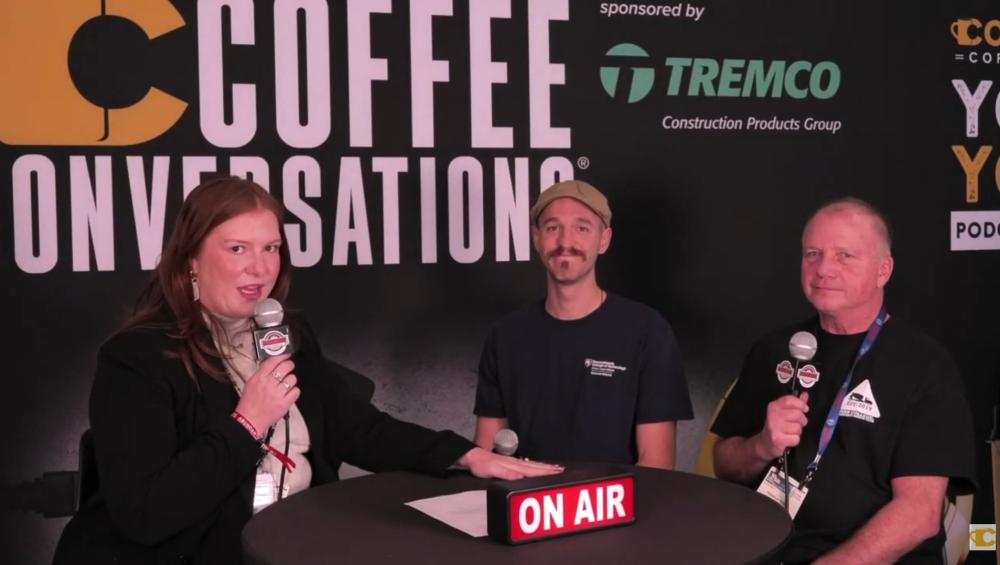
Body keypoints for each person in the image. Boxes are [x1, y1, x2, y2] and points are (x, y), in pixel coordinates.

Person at [53, 176, 560, 565]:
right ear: (190, 260)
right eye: (238, 249)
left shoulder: (286, 333)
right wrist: (248, 423)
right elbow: (148, 513)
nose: (261, 267)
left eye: (271, 247)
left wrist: (466, 455)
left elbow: (358, 428)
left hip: (293, 540)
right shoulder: (137, 359)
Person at [711, 198, 976, 564]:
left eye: (845, 256)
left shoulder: (925, 365)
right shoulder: (774, 350)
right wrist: (762, 446)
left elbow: (919, 515)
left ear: (883, 270)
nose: (823, 269)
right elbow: (724, 463)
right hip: (765, 550)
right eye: (813, 253)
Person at [473, 179, 693, 468]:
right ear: (536, 238)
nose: (566, 242)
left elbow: (656, 465)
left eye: (582, 228)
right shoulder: (505, 335)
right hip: (531, 508)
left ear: (604, 240)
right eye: (553, 228)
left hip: (612, 509)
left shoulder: (647, 332)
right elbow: (488, 455)